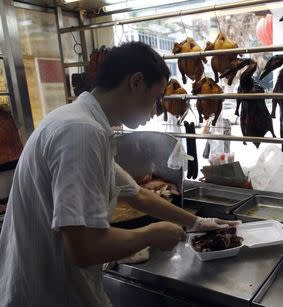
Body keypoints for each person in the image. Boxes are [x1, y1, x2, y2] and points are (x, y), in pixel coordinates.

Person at [0, 42, 238, 307]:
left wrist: (197, 223)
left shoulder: (81, 123)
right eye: (156, 98)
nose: (156, 109)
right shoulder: (80, 133)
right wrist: (150, 234)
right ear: (136, 83)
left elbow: (138, 196)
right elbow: (84, 248)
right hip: (47, 295)